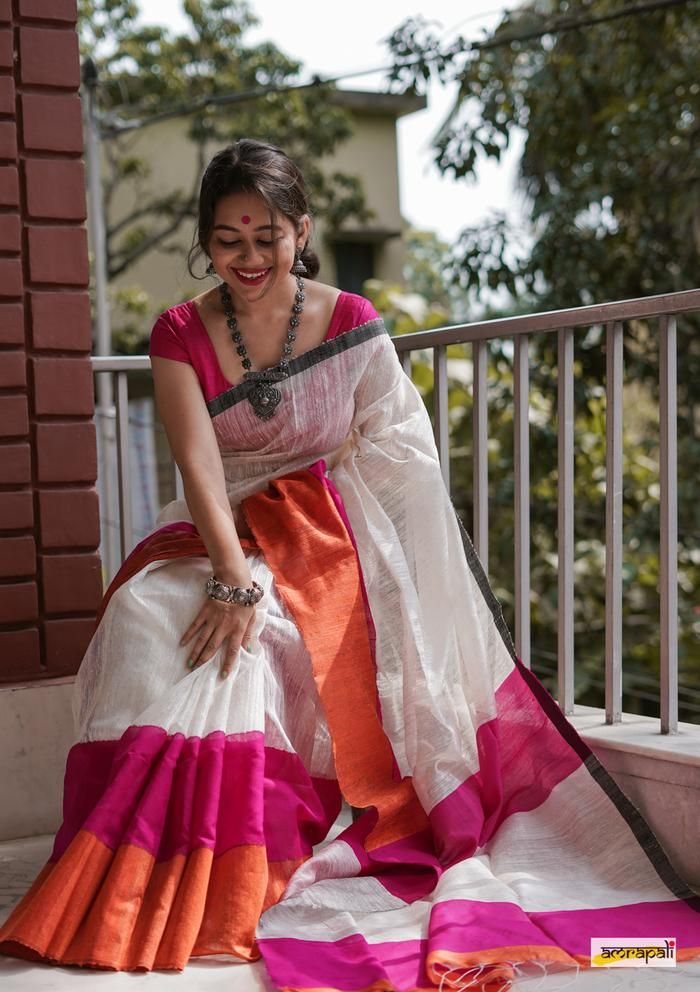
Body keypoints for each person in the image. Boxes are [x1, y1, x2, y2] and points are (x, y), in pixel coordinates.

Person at [1, 138, 699, 990]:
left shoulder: (353, 322)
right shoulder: (179, 331)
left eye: (267, 237)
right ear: (206, 242)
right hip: (219, 534)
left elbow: (400, 461)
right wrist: (233, 575)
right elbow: (200, 469)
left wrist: (340, 559)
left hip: (335, 537)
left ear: (301, 230)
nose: (249, 258)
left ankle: (238, 872)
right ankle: (144, 871)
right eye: (228, 240)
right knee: (151, 616)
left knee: (266, 641)